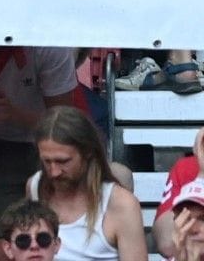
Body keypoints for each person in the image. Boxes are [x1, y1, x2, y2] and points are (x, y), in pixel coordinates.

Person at [22, 108, 146, 261]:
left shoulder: (121, 204)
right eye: (47, 161)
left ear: (88, 152)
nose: (54, 172)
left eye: (63, 161)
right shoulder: (34, 187)